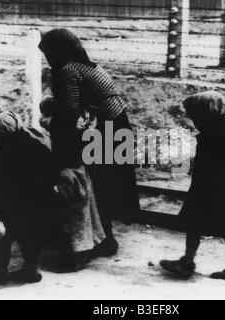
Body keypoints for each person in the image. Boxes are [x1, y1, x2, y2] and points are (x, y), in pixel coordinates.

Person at [38, 29, 140, 256]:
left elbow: (70, 111)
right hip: (117, 125)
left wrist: (50, 118)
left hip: (105, 130)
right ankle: (105, 237)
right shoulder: (89, 66)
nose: (48, 59)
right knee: (108, 182)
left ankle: (105, 241)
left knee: (96, 183)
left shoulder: (67, 70)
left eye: (49, 53)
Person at [160, 92, 225, 281]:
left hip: (206, 190)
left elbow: (203, 169)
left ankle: (187, 263)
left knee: (194, 225)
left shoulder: (210, 138)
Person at [0, 112, 55, 284]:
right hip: (33, 204)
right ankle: (31, 269)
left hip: (8, 205)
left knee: (2, 238)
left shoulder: (2, 149)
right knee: (30, 235)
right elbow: (51, 171)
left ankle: (0, 270)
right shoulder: (34, 141)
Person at [39, 97, 106, 271]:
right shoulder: (72, 126)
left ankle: (73, 259)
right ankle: (88, 249)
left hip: (69, 176)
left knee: (72, 223)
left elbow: (58, 152)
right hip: (80, 173)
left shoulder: (57, 127)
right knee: (83, 219)